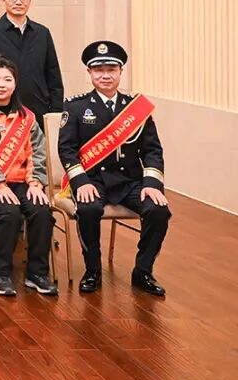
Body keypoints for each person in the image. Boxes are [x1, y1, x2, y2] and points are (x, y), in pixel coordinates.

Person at [59, 41, 170, 297]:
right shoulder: (75, 107)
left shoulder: (136, 108)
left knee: (159, 211)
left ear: (121, 72)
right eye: (99, 70)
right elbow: (67, 149)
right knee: (88, 209)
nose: (105, 75)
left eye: (111, 69)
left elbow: (152, 150)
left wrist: (152, 184)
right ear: (89, 73)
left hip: (129, 181)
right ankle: (93, 270)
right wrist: (80, 182)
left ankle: (143, 271)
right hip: (93, 180)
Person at [0, 56, 58, 297]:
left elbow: (38, 152)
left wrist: (36, 183)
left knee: (41, 211)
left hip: (22, 182)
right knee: (10, 213)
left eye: (7, 79)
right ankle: (2, 273)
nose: (1, 84)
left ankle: (37, 273)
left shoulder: (27, 117)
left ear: (15, 84)